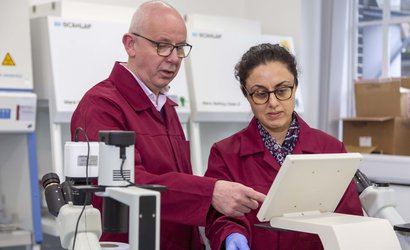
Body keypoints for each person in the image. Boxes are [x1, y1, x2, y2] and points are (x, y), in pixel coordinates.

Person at [70, 1, 265, 249]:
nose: (174, 58)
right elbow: (123, 182)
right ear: (130, 44)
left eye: (180, 48)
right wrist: (210, 192)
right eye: (162, 46)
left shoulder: (164, 106)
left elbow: (175, 182)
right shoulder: (101, 106)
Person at [204, 43, 364, 250]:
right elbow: (219, 217)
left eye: (281, 90)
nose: (273, 102)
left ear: (295, 86)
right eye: (261, 94)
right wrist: (230, 235)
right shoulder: (225, 153)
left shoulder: (331, 149)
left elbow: (349, 220)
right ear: (246, 95)